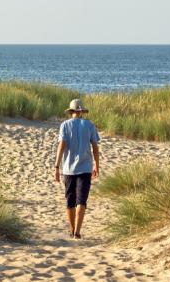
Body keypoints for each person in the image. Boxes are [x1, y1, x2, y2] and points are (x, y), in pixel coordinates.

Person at [54, 98, 100, 239]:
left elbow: (61, 146)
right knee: (81, 201)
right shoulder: (89, 125)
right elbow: (95, 147)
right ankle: (77, 232)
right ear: (81, 112)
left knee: (70, 200)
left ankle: (72, 228)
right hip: (85, 167)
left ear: (71, 112)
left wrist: (56, 167)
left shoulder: (65, 125)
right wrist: (97, 165)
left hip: (68, 168)